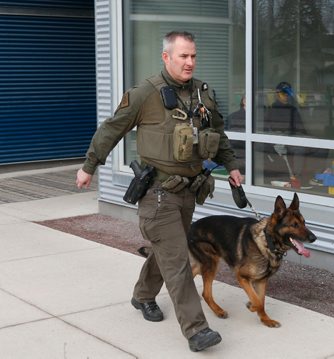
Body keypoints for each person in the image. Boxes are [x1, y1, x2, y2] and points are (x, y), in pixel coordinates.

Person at [76, 31, 243, 352]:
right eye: (183, 56)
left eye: (193, 56)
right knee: (178, 259)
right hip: (157, 194)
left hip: (189, 193)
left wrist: (231, 165)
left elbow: (217, 134)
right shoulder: (145, 94)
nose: (190, 62)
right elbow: (112, 128)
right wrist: (89, 166)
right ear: (166, 57)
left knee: (167, 251)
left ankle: (142, 295)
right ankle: (197, 330)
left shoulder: (203, 94)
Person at [263, 82, 307, 186]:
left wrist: (300, 136)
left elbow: (300, 128)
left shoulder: (293, 109)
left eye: (287, 94)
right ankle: (294, 178)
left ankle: (297, 178)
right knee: (299, 149)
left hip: (292, 138)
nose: (286, 96)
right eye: (283, 94)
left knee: (306, 148)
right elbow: (265, 128)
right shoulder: (271, 109)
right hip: (277, 140)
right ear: (277, 94)